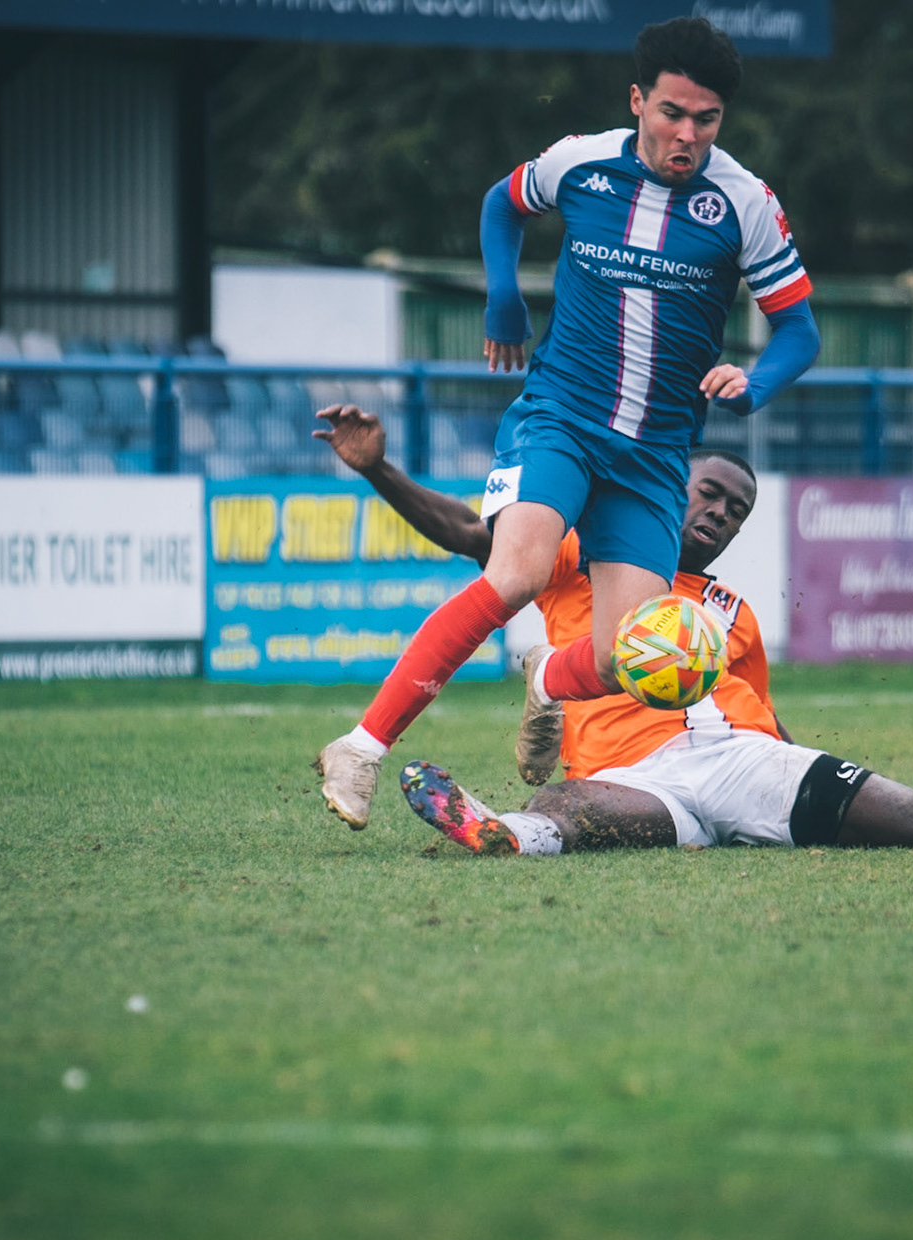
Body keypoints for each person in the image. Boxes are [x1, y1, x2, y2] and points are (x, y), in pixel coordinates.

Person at [313, 16, 821, 829]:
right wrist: (504, 297)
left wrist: (754, 383)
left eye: (706, 119)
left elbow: (800, 330)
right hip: (562, 417)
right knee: (516, 571)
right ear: (637, 101)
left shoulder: (748, 203)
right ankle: (361, 746)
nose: (687, 134)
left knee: (633, 660)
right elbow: (500, 204)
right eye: (671, 113)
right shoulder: (579, 162)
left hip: (655, 453)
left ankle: (547, 680)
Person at [311, 403, 913, 855]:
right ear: (672, 488)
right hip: (633, 776)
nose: (720, 513)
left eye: (736, 512)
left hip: (741, 761)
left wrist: (802, 764)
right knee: (572, 811)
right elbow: (466, 533)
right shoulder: (584, 556)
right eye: (709, 493)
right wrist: (376, 469)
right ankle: (499, 830)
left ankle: (551, 692)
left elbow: (766, 718)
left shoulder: (733, 612)